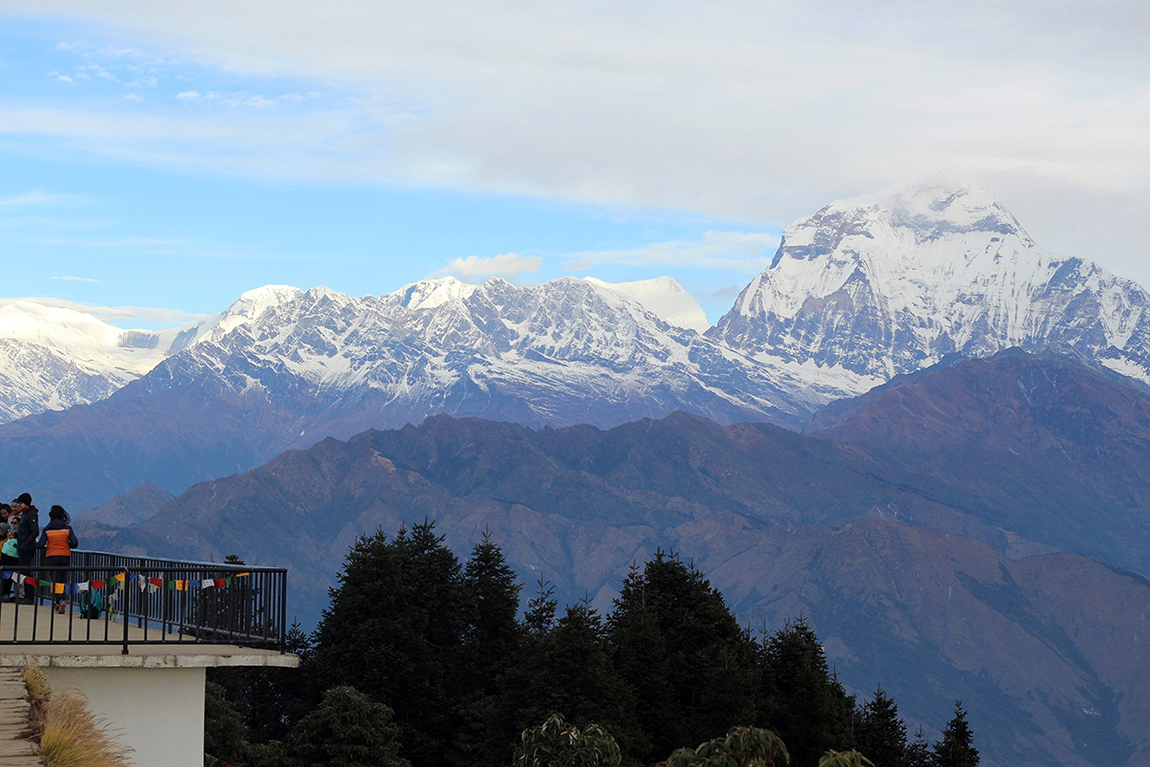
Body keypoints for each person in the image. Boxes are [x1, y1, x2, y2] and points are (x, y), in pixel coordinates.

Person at [38, 505, 78, 614]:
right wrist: (66, 545)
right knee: (63, 579)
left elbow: (41, 544)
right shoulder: (67, 529)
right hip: (65, 556)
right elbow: (75, 543)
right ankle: (62, 600)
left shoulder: (47, 529)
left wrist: (50, 546)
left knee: (55, 580)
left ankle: (58, 601)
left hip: (51, 556)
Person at [12, 493, 39, 603]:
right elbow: (24, 531)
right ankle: (23, 595)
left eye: (21, 503)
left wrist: (26, 544)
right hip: (22, 546)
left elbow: (34, 531)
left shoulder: (31, 514)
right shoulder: (25, 514)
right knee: (22, 572)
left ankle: (29, 596)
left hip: (27, 548)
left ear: (25, 503)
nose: (19, 505)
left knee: (27, 571)